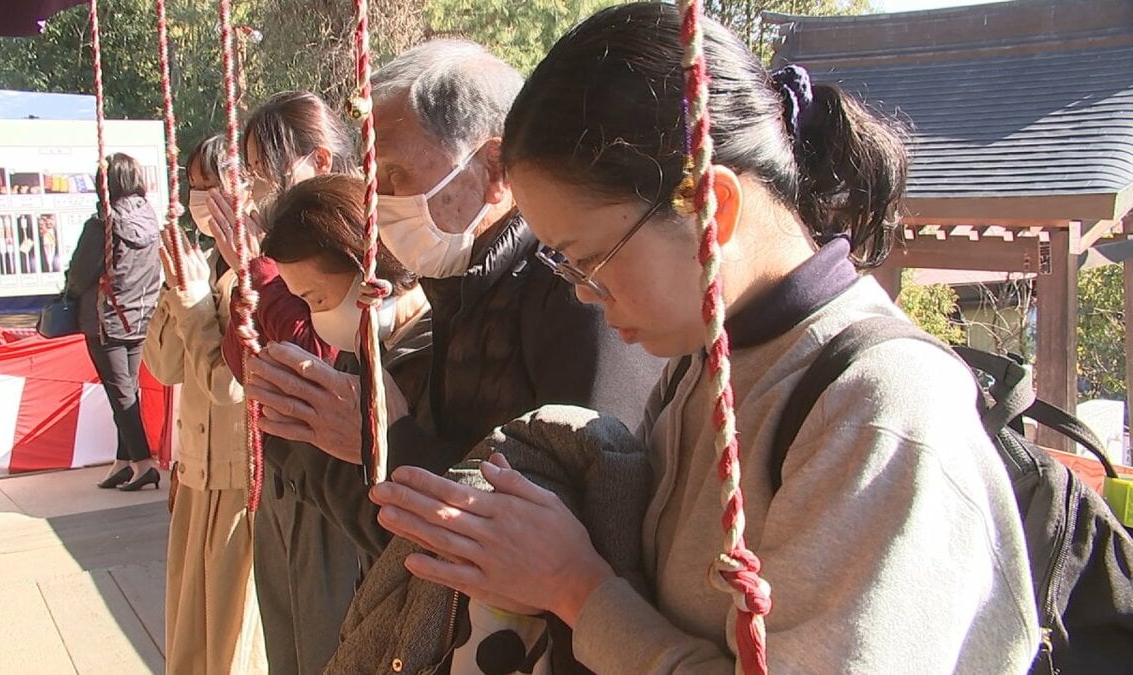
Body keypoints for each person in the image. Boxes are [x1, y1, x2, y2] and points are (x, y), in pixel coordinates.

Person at [364, 5, 1042, 673]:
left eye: (590, 257)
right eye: (563, 265)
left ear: (712, 208)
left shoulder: (882, 408)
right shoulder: (703, 364)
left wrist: (577, 589)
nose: (579, 290)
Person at [242, 39, 664, 665]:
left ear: (492, 169)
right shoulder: (455, 289)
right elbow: (403, 541)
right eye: (372, 180)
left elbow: (581, 533)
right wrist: (321, 444)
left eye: (396, 177)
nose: (376, 205)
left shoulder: (577, 296)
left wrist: (386, 439)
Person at [209, 90, 365, 675]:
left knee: (330, 648)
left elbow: (318, 359)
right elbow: (245, 365)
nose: (251, 189)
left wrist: (258, 272)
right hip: (282, 470)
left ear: (319, 161)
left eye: (264, 170)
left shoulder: (349, 228)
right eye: (248, 172)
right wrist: (244, 277)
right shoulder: (273, 245)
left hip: (332, 480)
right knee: (288, 648)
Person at [259, 173, 434, 565]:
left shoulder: (434, 353)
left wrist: (323, 445)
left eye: (316, 299)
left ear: (367, 271)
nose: (312, 317)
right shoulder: (360, 352)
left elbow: (384, 529)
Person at [142, 135, 266, 675]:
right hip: (195, 479)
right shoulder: (201, 260)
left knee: (234, 646)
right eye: (194, 187)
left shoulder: (263, 268)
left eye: (213, 186)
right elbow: (164, 367)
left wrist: (194, 303)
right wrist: (176, 293)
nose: (202, 199)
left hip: (244, 486)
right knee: (189, 643)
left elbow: (232, 385)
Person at [65, 153, 161, 491]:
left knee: (121, 393)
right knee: (127, 389)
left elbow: (79, 273)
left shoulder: (102, 224)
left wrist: (68, 292)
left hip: (106, 318)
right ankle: (125, 462)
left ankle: (143, 462)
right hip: (140, 314)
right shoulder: (150, 219)